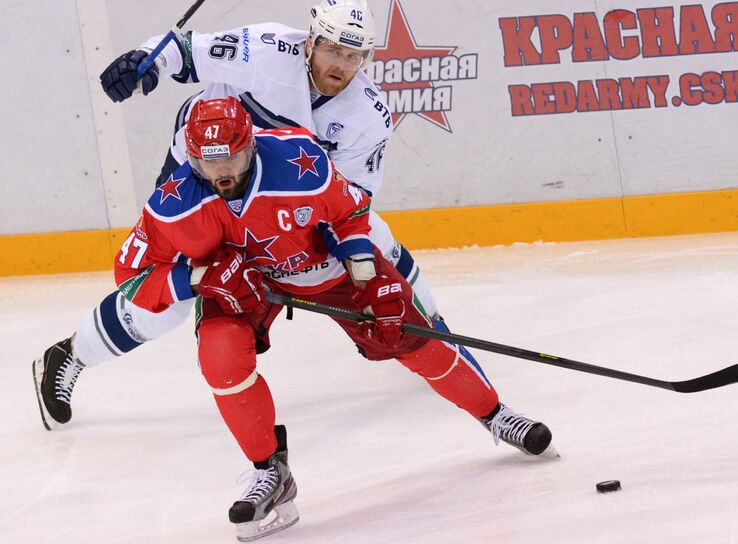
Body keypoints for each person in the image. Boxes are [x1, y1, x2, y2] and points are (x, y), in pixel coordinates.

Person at [112, 96, 552, 540]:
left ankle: (495, 414)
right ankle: (270, 472)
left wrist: (367, 276)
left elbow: (349, 212)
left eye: (233, 156)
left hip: (326, 267)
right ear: (191, 158)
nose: (222, 171)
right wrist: (199, 277)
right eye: (209, 163)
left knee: (409, 333)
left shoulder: (296, 158)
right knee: (220, 359)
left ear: (252, 146)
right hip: (240, 285)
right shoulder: (172, 202)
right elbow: (130, 276)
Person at [32, 0, 476, 430]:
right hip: (201, 180)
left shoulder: (369, 116)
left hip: (274, 202)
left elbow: (351, 203)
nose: (340, 64)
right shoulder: (265, 47)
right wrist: (144, 62)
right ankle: (69, 355)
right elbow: (186, 53)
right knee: (173, 297)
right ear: (310, 41)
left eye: (353, 54)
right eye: (331, 48)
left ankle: (429, 331)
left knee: (377, 241)